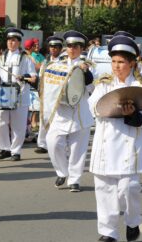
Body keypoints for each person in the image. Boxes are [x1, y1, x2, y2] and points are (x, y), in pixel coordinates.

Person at [88, 36, 142, 242]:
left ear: (132, 63)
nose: (116, 66)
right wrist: (107, 109)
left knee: (129, 188)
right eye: (114, 62)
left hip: (128, 144)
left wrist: (135, 116)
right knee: (104, 189)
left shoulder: (140, 87)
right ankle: (108, 232)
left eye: (121, 62)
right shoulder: (103, 85)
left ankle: (133, 221)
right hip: (105, 143)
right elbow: (92, 106)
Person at [44, 31, 94, 192]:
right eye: (70, 46)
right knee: (53, 143)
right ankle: (62, 171)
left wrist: (85, 72)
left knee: (77, 149)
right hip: (61, 112)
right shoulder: (57, 64)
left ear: (81, 48)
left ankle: (74, 179)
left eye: (76, 46)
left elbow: (91, 86)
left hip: (80, 113)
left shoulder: (88, 64)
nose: (72, 49)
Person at [0, 28, 37, 161]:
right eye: (9, 40)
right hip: (4, 95)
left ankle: (15, 151)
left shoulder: (25, 58)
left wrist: (24, 76)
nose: (10, 43)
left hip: (20, 95)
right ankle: (5, 148)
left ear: (18, 43)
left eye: (13, 40)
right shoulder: (3, 57)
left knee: (18, 124)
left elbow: (33, 76)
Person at [34, 36, 64, 154]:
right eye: (51, 47)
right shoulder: (45, 61)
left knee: (57, 119)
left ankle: (56, 143)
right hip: (46, 93)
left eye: (56, 47)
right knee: (43, 118)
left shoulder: (64, 62)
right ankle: (42, 144)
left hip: (58, 94)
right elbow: (41, 77)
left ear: (60, 49)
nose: (53, 49)